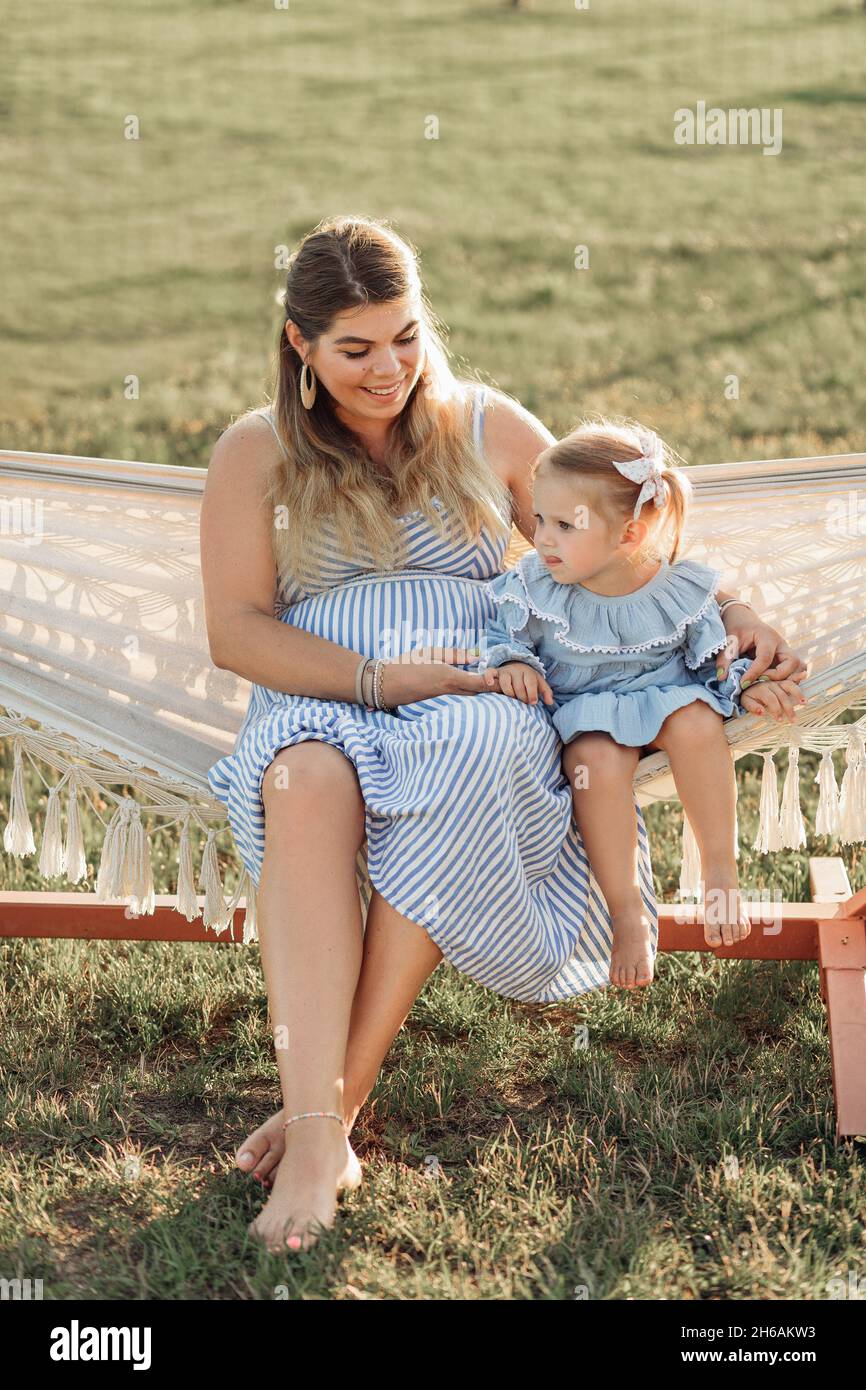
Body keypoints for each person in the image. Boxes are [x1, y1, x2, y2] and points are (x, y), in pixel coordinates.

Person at [200, 215, 808, 1253]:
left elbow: (618, 543)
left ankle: (326, 1122)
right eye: (354, 348)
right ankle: (316, 1127)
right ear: (297, 344)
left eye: (405, 334)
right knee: (302, 782)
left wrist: (733, 611)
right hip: (326, 690)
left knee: (473, 753)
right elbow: (237, 631)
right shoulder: (255, 451)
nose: (389, 367)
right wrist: (381, 680)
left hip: (487, 685)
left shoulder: (486, 426)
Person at [479, 420, 807, 989]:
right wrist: (512, 664)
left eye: (564, 525)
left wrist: (745, 686)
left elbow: (712, 652)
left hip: (667, 695)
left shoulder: (675, 587)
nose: (544, 539)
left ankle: (720, 874)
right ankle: (626, 910)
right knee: (595, 765)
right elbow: (505, 636)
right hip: (587, 713)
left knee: (697, 721)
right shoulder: (536, 585)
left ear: (628, 535)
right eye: (540, 520)